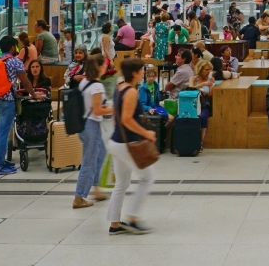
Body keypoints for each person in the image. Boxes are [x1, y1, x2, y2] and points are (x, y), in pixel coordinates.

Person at [106, 58, 155, 235]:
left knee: (121, 183)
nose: (143, 73)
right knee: (147, 177)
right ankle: (133, 218)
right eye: (141, 70)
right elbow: (126, 119)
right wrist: (146, 133)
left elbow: (115, 116)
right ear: (134, 73)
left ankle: (114, 223)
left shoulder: (120, 88)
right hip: (127, 143)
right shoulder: (132, 92)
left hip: (116, 141)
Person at [0, 35, 35, 176]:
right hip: (6, 102)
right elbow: (25, 81)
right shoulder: (15, 61)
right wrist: (34, 94)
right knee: (3, 134)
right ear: (13, 47)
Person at [73, 55, 112, 209]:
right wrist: (113, 110)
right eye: (104, 65)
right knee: (89, 161)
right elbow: (97, 110)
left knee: (101, 153)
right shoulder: (97, 87)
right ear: (99, 67)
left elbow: (90, 105)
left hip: (83, 123)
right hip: (91, 125)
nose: (106, 67)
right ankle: (79, 197)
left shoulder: (85, 82)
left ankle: (96, 188)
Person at [190, 60, 216, 145]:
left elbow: (211, 95)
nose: (208, 72)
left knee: (203, 116)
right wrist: (202, 85)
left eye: (210, 70)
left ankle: (200, 142)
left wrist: (207, 93)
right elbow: (190, 90)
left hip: (205, 104)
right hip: (193, 104)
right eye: (206, 70)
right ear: (200, 69)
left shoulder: (211, 79)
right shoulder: (193, 79)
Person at [163, 50, 194, 116]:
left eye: (178, 55)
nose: (175, 57)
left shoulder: (182, 71)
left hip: (176, 101)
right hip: (183, 100)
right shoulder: (189, 69)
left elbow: (167, 87)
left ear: (184, 59)